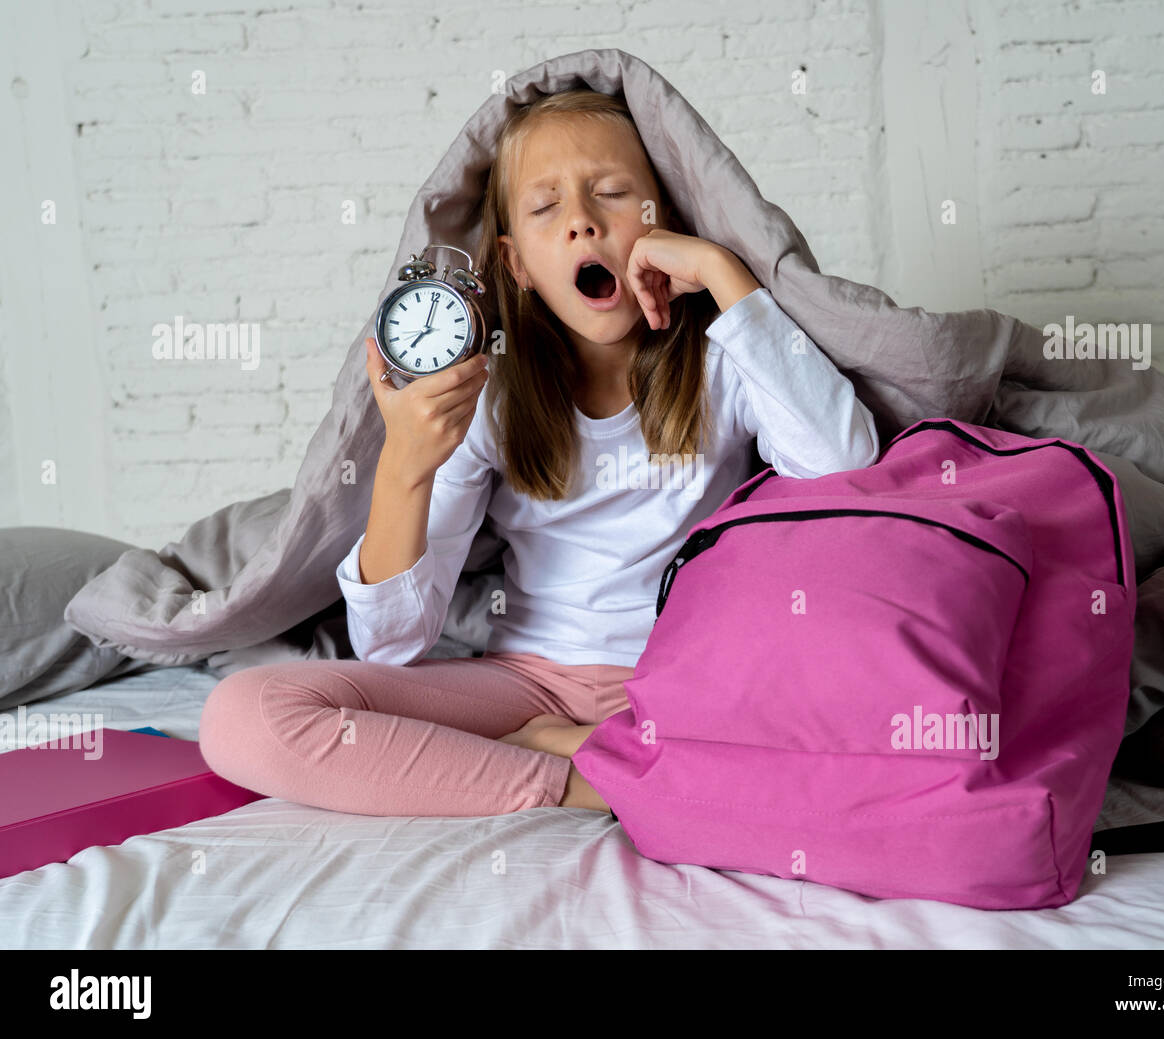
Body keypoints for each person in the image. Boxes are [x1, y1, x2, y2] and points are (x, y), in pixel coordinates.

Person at [198, 87, 879, 819]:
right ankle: (586, 779)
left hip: (687, 686)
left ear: (664, 224)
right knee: (243, 714)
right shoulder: (489, 396)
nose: (584, 220)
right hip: (527, 687)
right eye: (547, 208)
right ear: (516, 263)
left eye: (613, 193)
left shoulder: (725, 360)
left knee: (861, 710)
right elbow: (391, 647)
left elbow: (845, 465)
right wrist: (405, 463)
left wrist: (722, 273)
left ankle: (592, 749)